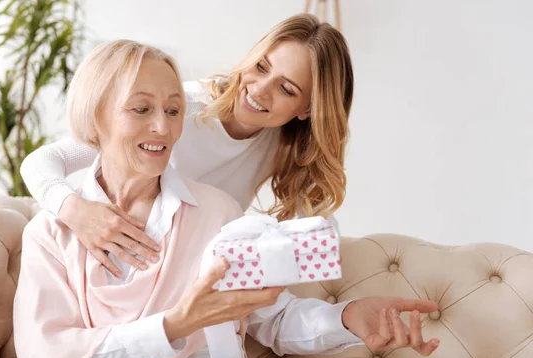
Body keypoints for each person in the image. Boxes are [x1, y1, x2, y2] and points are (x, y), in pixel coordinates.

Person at [13, 39, 439, 358]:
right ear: (98, 114)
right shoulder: (52, 235)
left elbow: (267, 316)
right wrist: (176, 324)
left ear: (305, 108)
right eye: (141, 109)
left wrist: (348, 317)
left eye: (173, 111)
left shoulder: (218, 213)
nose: (162, 127)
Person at [19, 13, 355, 276]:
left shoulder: (283, 147)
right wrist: (75, 212)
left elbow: (320, 244)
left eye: (287, 89)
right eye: (261, 67)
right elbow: (42, 160)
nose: (259, 89)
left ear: (309, 109)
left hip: (183, 273)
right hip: (118, 254)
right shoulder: (178, 108)